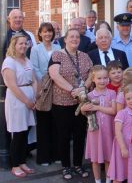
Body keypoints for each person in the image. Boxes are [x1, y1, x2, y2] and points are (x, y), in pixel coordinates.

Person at [49, 28, 93, 180]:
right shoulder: (57, 54)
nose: (75, 39)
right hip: (62, 103)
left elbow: (91, 74)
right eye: (71, 37)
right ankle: (66, 166)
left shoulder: (85, 56)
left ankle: (78, 165)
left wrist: (84, 88)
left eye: (77, 37)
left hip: (81, 103)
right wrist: (73, 90)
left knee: (80, 135)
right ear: (65, 39)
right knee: (64, 136)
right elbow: (54, 75)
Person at [1, 33, 37, 178]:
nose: (23, 46)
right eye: (20, 43)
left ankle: (22, 161)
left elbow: (34, 80)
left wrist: (33, 97)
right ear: (14, 45)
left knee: (25, 132)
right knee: (17, 133)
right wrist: (27, 101)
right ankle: (15, 165)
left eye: (25, 43)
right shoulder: (9, 62)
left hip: (29, 99)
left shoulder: (26, 60)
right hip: (17, 100)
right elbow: (12, 85)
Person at [30, 22, 61, 165]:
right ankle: (44, 157)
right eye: (44, 32)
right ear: (40, 34)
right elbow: (34, 68)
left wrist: (56, 78)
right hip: (43, 88)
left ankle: (56, 154)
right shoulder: (35, 49)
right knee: (43, 124)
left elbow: (60, 65)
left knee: (56, 123)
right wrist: (47, 78)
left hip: (57, 88)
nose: (47, 34)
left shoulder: (58, 47)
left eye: (50, 31)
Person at [82, 65, 116, 183]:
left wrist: (97, 107)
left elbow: (113, 111)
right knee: (95, 159)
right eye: (99, 78)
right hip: (95, 132)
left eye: (105, 78)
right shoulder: (90, 95)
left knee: (108, 158)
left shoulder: (112, 93)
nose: (102, 81)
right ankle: (97, 181)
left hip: (108, 131)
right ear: (93, 79)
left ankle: (108, 180)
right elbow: (83, 112)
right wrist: (83, 109)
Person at [108, 84, 132, 183]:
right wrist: (123, 147)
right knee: (119, 174)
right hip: (122, 147)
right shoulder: (122, 113)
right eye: (128, 98)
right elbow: (117, 131)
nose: (131, 101)